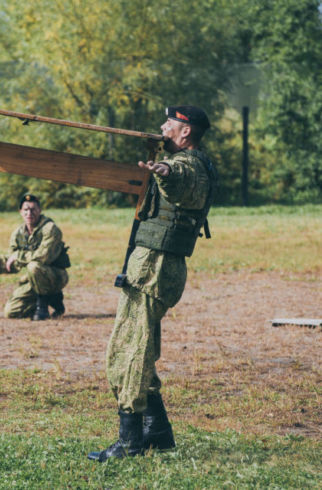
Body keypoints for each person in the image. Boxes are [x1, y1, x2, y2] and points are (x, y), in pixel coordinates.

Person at [88, 105, 218, 462]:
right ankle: (157, 433)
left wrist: (162, 171)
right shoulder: (196, 162)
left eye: (170, 122)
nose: (162, 126)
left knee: (128, 349)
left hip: (155, 268)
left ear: (186, 132)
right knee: (139, 348)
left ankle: (130, 442)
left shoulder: (187, 166)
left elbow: (178, 181)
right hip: (156, 265)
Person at [0, 194, 70, 321]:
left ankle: (43, 307)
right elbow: (13, 264)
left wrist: (18, 256)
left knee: (34, 266)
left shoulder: (50, 229)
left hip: (56, 276)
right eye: (26, 210)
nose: (29, 213)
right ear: (20, 212)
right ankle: (50, 300)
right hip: (34, 279)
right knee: (11, 312)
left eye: (33, 209)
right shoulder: (19, 233)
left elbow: (44, 256)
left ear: (40, 210)